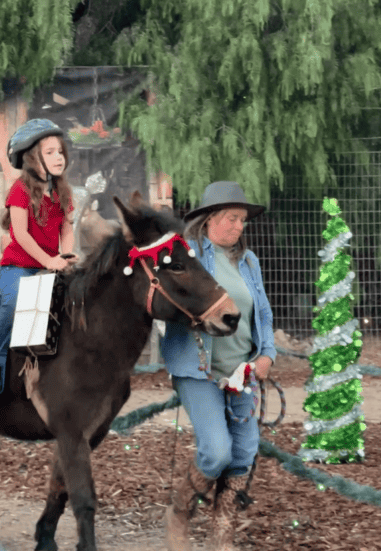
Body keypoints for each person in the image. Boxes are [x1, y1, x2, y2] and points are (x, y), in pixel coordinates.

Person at [160, 180, 276, 551]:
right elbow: (166, 299)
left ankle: (221, 533)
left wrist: (266, 355)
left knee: (243, 453)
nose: (239, 226)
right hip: (198, 369)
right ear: (209, 219)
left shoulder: (248, 261)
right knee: (217, 451)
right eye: (231, 218)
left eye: (242, 220)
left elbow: (264, 315)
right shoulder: (187, 255)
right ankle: (179, 511)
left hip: (242, 371)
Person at [0, 118, 79, 393]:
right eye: (50, 152)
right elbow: (20, 234)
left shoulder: (64, 192)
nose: (59, 157)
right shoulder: (20, 190)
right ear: (33, 159)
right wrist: (47, 261)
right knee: (13, 303)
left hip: (53, 264)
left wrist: (66, 254)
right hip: (20, 265)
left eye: (60, 151)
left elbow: (67, 229)